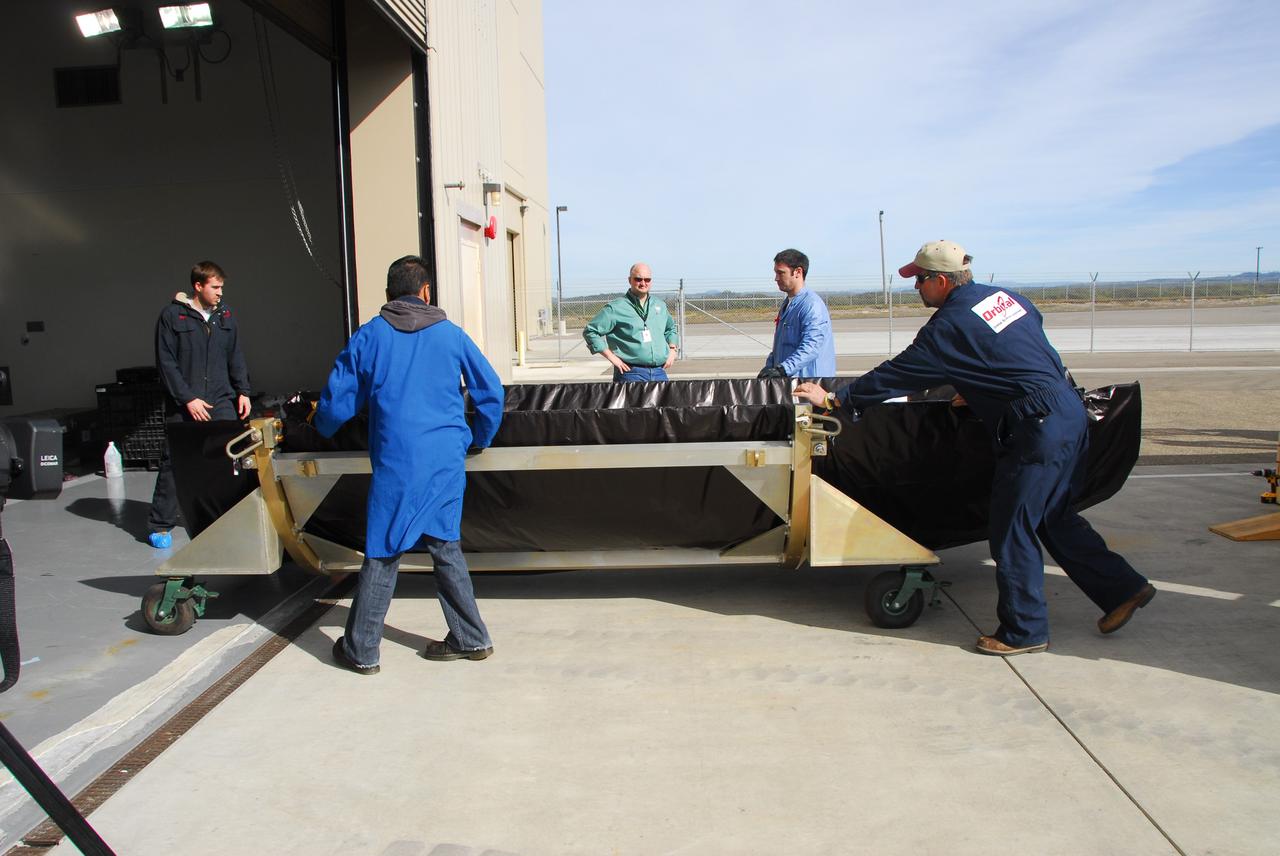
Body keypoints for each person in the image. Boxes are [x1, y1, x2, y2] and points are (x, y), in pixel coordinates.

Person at [795, 240, 1155, 656]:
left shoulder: (948, 326)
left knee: (1011, 528)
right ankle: (1123, 588)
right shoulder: (1005, 299)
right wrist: (983, 384)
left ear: (943, 281)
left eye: (921, 280)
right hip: (1066, 411)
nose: (916, 288)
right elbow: (1025, 340)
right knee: (1053, 516)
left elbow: (901, 373)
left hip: (1034, 426)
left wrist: (837, 399)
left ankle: (1025, 631)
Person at [315, 255, 504, 675]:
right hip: (444, 460)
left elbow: (336, 401)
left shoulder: (370, 336)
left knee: (384, 550)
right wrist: (479, 438)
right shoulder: (452, 336)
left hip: (397, 460)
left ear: (388, 295)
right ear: (426, 292)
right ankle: (471, 638)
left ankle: (362, 650)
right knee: (444, 543)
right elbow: (491, 392)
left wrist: (319, 428)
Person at [147, 261, 251, 549]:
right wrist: (188, 399)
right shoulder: (172, 317)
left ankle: (228, 516)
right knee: (174, 462)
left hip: (220, 398)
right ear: (198, 286)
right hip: (186, 401)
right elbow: (166, 363)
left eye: (221, 288)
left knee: (230, 457)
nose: (220, 293)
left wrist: (243, 390)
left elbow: (236, 355)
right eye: (215, 287)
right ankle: (160, 524)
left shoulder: (225, 316)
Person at [583, 262, 679, 381]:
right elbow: (591, 331)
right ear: (630, 280)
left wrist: (672, 350)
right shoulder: (616, 308)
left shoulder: (660, 305)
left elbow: (670, 329)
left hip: (659, 372)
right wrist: (612, 358)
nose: (643, 283)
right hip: (630, 373)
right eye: (638, 279)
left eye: (647, 279)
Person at [758, 248, 836, 379]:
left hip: (809, 385)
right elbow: (780, 346)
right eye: (775, 273)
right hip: (789, 383)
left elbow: (811, 346)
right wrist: (770, 367)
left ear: (798, 272)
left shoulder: (811, 305)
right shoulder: (787, 304)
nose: (776, 278)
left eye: (781, 273)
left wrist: (783, 370)